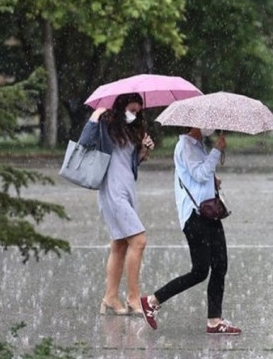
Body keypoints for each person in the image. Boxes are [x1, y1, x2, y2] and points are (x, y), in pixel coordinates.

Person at [139, 127, 241, 335]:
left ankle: (214, 320)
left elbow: (198, 178)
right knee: (200, 271)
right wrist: (217, 150)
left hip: (209, 213)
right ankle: (152, 300)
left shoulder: (197, 146)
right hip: (195, 218)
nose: (209, 127)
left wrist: (214, 178)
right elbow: (200, 174)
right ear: (194, 124)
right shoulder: (185, 146)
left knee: (220, 265)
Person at [78, 92, 155, 315]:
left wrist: (144, 149)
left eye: (138, 111)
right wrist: (95, 117)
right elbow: (84, 143)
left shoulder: (132, 131)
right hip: (112, 191)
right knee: (139, 241)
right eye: (131, 110)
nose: (135, 114)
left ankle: (110, 297)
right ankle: (133, 297)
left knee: (120, 244)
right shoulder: (106, 126)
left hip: (128, 189)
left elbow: (132, 163)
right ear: (121, 107)